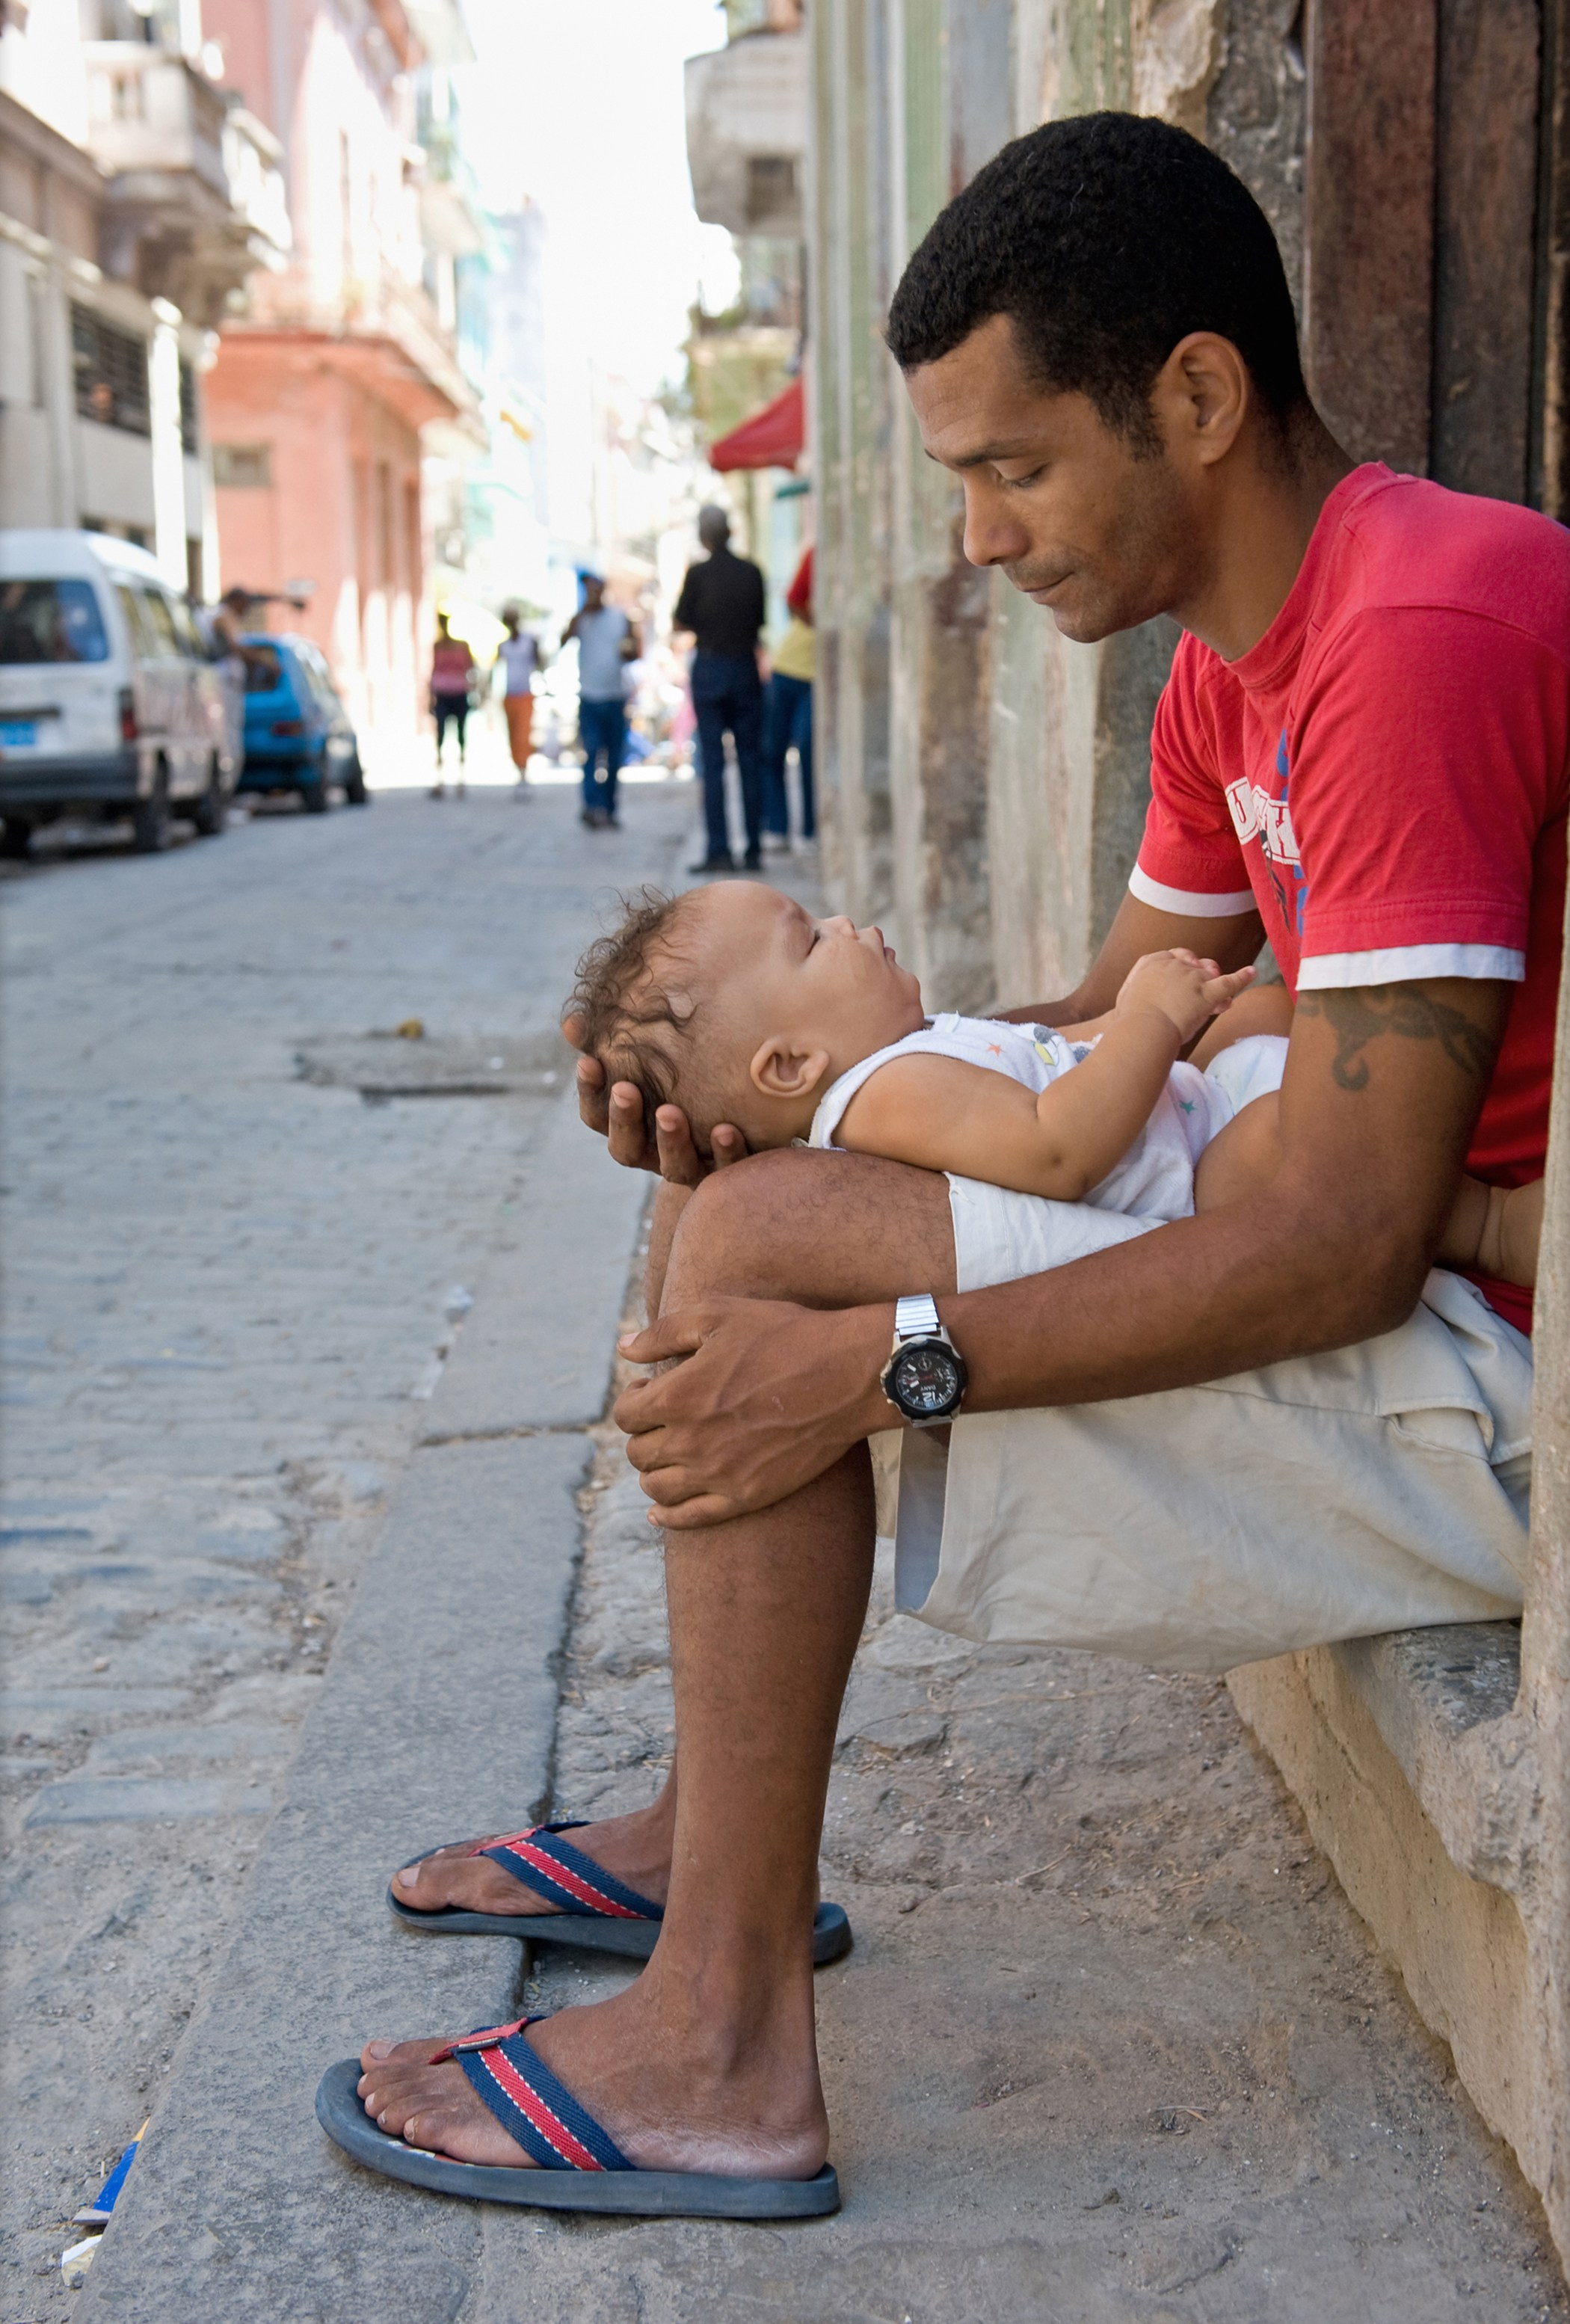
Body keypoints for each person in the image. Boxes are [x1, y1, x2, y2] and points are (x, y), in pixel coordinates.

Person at [349, 114, 1568, 2213]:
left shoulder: (1417, 631)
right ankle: (713, 1848)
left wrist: (883, 1360)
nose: (982, 538)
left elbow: (1339, 1251)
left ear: (1196, 396)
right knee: (745, 1185)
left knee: (772, 1263)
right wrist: (781, 1086)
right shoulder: (1231, 669)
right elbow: (1079, 1028)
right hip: (1395, 1308)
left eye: (1014, 468)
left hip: (1498, 1377)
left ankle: (723, 2047)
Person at [566, 879, 1545, 1285]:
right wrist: (1151, 1021)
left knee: (1270, 1011)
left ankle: (1442, 1086)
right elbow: (1059, 1147)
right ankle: (1493, 1227)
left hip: (1190, 1115)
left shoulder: (910, 1050)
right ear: (791, 1066)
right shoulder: (887, 1099)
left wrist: (1164, 1019)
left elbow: (1059, 1046)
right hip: (1198, 1184)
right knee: (1307, 1135)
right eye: (813, 941)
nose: (848, 926)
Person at [673, 506, 767, 874]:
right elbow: (758, 620)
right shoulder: (751, 572)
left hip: (711, 668)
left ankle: (719, 850)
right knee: (749, 761)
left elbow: (682, 619)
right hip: (744, 667)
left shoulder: (698, 574)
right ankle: (754, 850)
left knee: (712, 764)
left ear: (704, 535)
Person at [564, 575, 638, 829]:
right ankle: (591, 807)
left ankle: (609, 808)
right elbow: (564, 640)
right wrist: (580, 615)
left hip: (615, 696)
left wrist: (628, 651)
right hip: (590, 698)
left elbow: (633, 651)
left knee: (614, 757)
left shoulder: (619, 618)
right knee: (592, 752)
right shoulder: (581, 619)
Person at [760, 545, 816, 852]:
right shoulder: (816, 555)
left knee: (808, 751)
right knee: (772, 750)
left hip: (817, 678)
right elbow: (794, 600)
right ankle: (777, 826)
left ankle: (810, 830)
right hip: (787, 668)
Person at [428, 612, 475, 799]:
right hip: (442, 695)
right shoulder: (437, 646)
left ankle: (461, 778)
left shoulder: (462, 646)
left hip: (459, 694)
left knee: (461, 736)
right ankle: (440, 779)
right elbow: (434, 670)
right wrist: (430, 696)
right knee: (440, 736)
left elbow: (471, 668)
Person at [497, 605, 540, 798]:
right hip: (509, 695)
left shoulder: (529, 641)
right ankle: (519, 771)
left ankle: (524, 774)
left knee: (523, 735)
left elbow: (539, 662)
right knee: (513, 736)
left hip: (525, 694)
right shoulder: (504, 645)